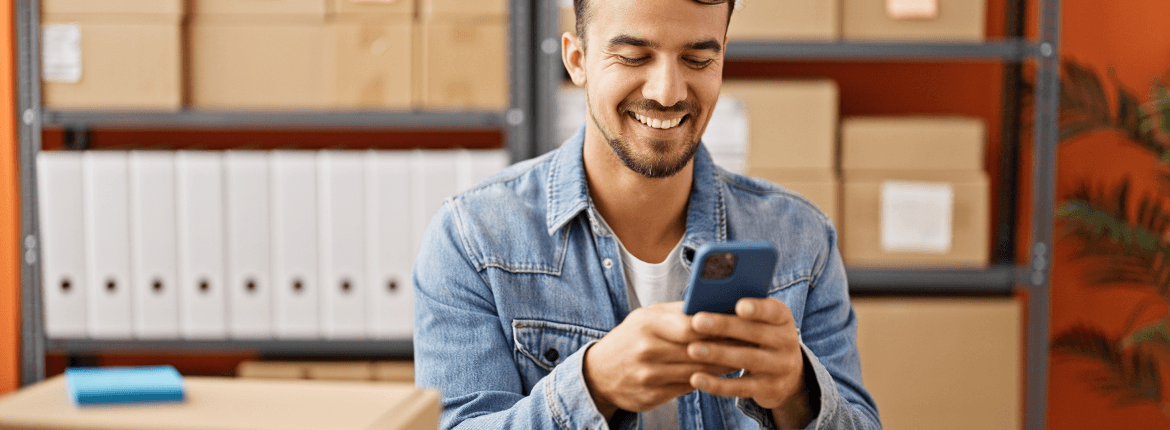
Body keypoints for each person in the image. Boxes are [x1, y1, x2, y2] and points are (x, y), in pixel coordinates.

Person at [413, 0, 881, 428]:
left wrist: (798, 394)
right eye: (634, 56)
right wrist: (592, 385)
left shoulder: (801, 237)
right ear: (577, 60)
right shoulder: (473, 238)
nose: (667, 92)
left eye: (698, 60)